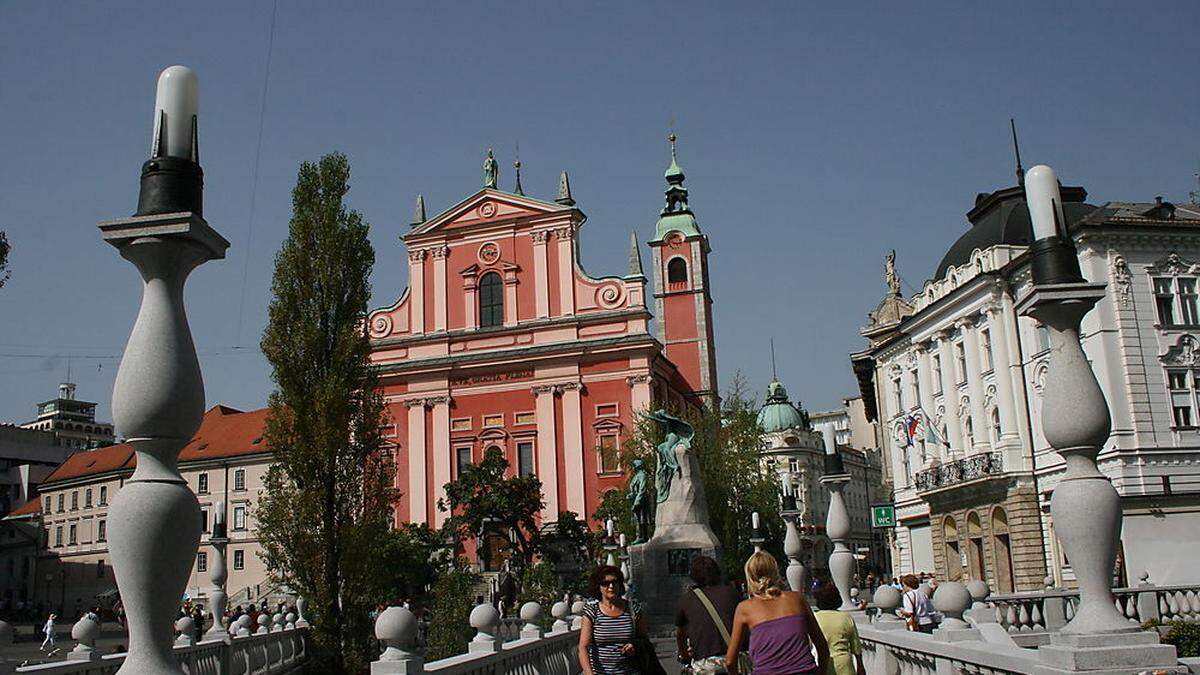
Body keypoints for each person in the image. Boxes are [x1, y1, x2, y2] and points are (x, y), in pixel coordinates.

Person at [726, 552, 828, 675]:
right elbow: (822, 646)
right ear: (775, 572)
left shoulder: (745, 609)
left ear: (750, 577)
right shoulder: (797, 599)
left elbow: (730, 661)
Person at [675, 555, 740, 674]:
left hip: (706, 664)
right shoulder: (732, 594)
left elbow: (680, 635)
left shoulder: (687, 600)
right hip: (734, 660)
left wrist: (685, 655)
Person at [578, 565, 648, 675]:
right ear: (598, 586)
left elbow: (644, 639)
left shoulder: (633, 609)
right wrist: (589, 672)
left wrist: (634, 646)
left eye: (614, 582)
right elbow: (583, 647)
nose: (611, 586)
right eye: (605, 583)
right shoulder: (592, 611)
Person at [812, 583, 865, 675]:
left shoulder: (814, 618)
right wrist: (860, 666)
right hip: (844, 664)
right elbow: (856, 646)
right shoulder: (846, 617)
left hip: (822, 663)